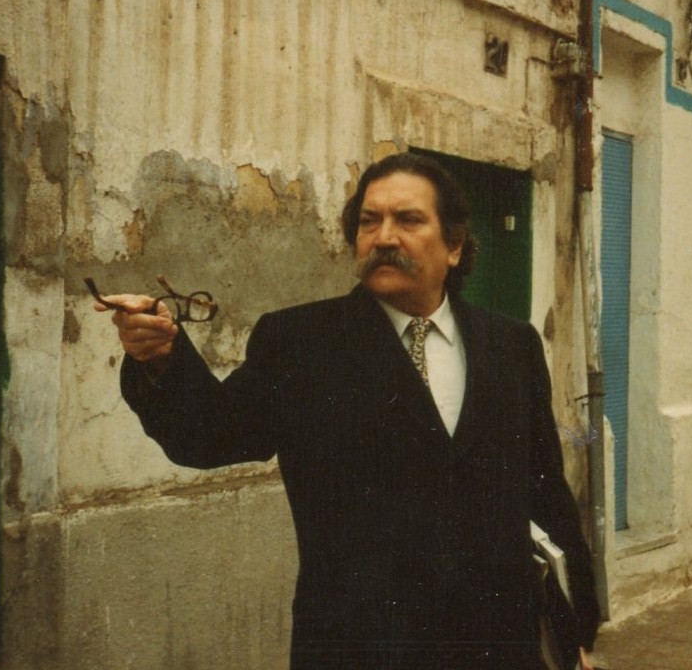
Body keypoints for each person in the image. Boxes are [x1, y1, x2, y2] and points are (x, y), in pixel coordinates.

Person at [97, 152, 600, 669]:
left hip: (499, 644)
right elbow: (207, 437)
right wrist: (160, 359)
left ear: (453, 246)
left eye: (408, 220)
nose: (384, 237)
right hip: (359, 645)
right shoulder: (301, 342)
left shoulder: (511, 345)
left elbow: (545, 491)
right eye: (368, 221)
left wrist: (576, 627)